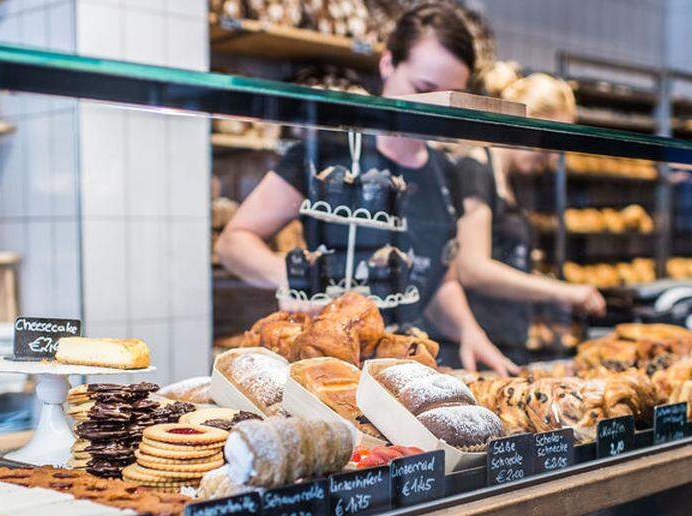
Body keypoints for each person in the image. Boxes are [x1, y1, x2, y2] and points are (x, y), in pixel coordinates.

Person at [217, 3, 517, 375]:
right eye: (423, 89)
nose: (432, 110)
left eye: (448, 98)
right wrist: (296, 282)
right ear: (388, 63)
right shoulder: (326, 151)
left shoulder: (446, 172)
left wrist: (472, 333)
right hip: (328, 363)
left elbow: (441, 281)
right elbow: (234, 241)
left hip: (400, 367)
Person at [451, 73, 606, 362]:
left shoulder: (511, 182)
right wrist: (563, 292)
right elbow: (471, 268)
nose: (551, 158)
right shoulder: (475, 170)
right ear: (526, 122)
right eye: (548, 142)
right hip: (476, 348)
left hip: (507, 342)